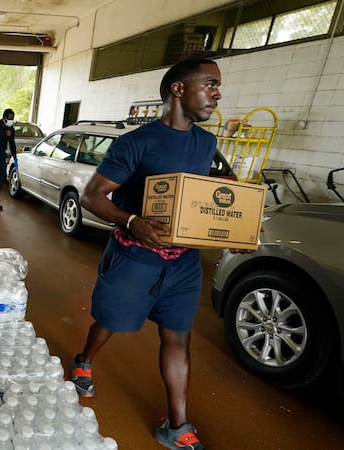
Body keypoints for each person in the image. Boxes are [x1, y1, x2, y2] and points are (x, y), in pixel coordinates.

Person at [71, 58, 223, 450]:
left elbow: (208, 196)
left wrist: (231, 225)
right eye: (209, 84)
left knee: (178, 339)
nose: (217, 93)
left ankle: (178, 425)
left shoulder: (207, 142)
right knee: (110, 322)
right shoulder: (137, 142)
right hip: (135, 258)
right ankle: (85, 359)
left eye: (217, 86)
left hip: (183, 264)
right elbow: (92, 195)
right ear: (178, 89)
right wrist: (131, 221)